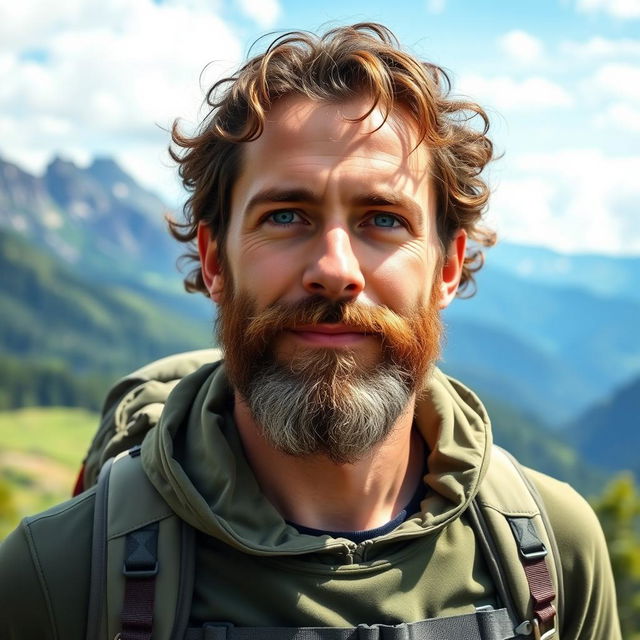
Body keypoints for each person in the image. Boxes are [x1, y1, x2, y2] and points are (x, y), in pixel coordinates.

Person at [0, 23, 620, 640]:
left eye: (383, 219)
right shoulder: (59, 572)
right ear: (216, 262)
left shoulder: (555, 553)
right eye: (286, 215)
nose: (334, 270)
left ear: (447, 268)